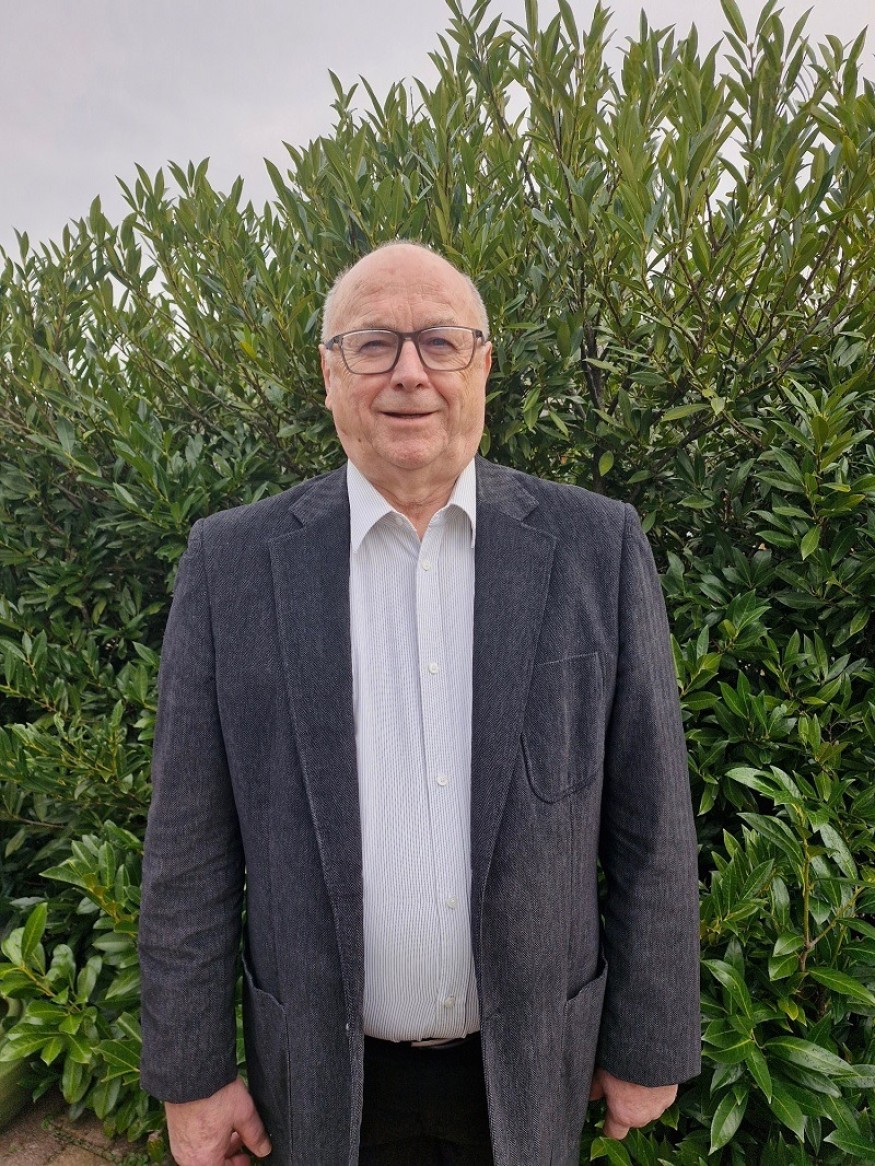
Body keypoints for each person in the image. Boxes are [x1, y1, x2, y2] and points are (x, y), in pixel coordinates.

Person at [138, 241, 701, 1166]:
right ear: (329, 375)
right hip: (319, 1078)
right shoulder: (230, 564)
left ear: (482, 366)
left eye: (440, 342)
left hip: (529, 1068)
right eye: (372, 345)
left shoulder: (595, 547)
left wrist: (648, 1041)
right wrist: (192, 1076)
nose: (409, 373)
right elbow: (189, 847)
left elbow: (652, 826)